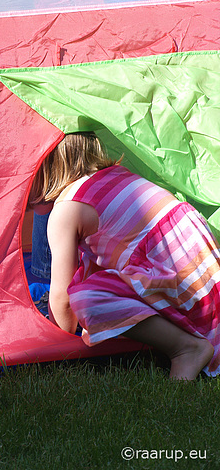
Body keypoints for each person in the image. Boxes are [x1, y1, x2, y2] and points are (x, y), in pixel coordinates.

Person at [28, 132, 220, 380]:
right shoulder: (116, 175)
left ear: (45, 167)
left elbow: (62, 297)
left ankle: (185, 349)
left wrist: (56, 348)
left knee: (86, 299)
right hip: (200, 276)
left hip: (180, 281)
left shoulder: (66, 210)